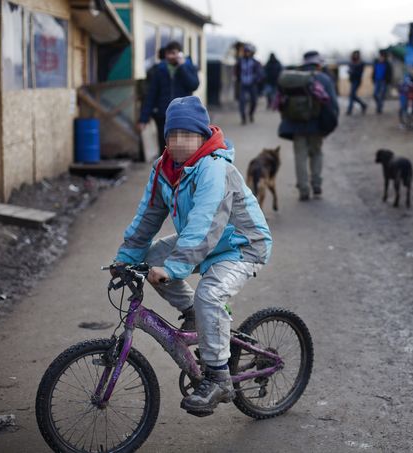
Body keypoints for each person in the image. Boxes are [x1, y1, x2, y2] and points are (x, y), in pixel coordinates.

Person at [114, 96, 272, 415]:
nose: (180, 142)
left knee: (210, 295)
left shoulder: (214, 167)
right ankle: (191, 313)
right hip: (205, 241)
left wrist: (174, 268)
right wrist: (126, 258)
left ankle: (218, 378)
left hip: (241, 243)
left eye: (188, 135)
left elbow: (206, 221)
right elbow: (148, 216)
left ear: (201, 136)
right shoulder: (164, 169)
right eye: (173, 135)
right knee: (148, 260)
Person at [278, 50, 339, 201]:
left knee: (300, 156)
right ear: (318, 64)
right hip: (317, 125)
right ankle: (316, 184)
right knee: (316, 153)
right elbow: (333, 103)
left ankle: (304, 189)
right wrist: (330, 122)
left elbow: (280, 102)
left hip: (296, 125)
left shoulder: (292, 79)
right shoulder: (323, 78)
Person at [138, 41, 200, 152]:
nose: (170, 56)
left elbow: (193, 85)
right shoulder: (159, 70)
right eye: (168, 53)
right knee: (164, 146)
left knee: (182, 146)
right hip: (163, 115)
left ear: (180, 54)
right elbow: (151, 94)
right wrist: (144, 118)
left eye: (173, 53)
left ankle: (180, 168)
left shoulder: (189, 67)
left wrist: (182, 68)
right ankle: (164, 167)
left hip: (183, 114)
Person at [235, 44, 263, 124]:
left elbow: (259, 73)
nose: (246, 53)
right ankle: (243, 117)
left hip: (252, 84)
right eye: (245, 51)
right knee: (242, 101)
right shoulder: (240, 62)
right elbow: (236, 71)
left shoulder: (255, 62)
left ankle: (251, 114)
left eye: (248, 52)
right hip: (243, 84)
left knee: (254, 101)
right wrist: (238, 78)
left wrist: (256, 79)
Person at [346, 50, 367, 115]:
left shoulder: (361, 63)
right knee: (353, 96)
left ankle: (349, 110)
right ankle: (363, 105)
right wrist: (350, 72)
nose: (355, 55)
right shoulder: (351, 62)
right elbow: (349, 70)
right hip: (352, 80)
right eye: (354, 54)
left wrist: (352, 72)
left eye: (356, 54)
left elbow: (360, 73)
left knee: (351, 95)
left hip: (357, 81)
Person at [372, 49, 393, 114]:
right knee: (375, 94)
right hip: (377, 80)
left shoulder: (387, 64)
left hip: (384, 81)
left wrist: (388, 81)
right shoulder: (376, 62)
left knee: (381, 95)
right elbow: (374, 71)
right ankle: (379, 105)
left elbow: (390, 73)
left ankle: (379, 108)